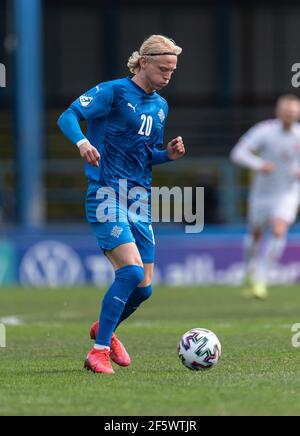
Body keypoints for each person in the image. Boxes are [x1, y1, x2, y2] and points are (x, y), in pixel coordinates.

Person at [58, 35, 185, 373]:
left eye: (173, 70)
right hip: (105, 194)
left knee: (144, 290)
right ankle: (98, 351)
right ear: (143, 62)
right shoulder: (112, 92)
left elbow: (145, 156)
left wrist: (167, 156)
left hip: (139, 200)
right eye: (163, 68)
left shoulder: (160, 106)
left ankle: (106, 328)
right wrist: (82, 141)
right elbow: (68, 116)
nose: (168, 75)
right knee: (129, 272)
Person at [231, 94, 300, 299]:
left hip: (288, 193)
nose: (289, 114)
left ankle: (262, 278)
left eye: (293, 111)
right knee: (255, 235)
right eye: (286, 110)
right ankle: (249, 271)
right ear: (278, 111)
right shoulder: (264, 130)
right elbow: (238, 153)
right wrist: (260, 164)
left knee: (279, 230)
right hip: (261, 194)